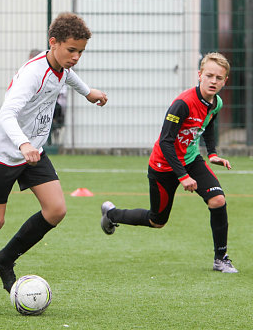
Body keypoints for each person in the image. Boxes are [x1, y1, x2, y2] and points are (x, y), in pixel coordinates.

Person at [0, 12, 108, 310]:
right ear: (54, 43)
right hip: (3, 152)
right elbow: (6, 114)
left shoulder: (60, 65)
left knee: (56, 209)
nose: (75, 57)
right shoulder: (32, 74)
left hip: (32, 151)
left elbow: (67, 75)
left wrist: (88, 92)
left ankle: (3, 260)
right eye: (71, 50)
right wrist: (23, 143)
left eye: (81, 52)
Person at [100, 52, 238, 274]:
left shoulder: (216, 103)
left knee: (218, 200)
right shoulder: (182, 104)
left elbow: (208, 124)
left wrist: (212, 154)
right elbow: (165, 142)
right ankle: (112, 214)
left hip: (191, 159)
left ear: (225, 81)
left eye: (219, 78)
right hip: (163, 166)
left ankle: (221, 258)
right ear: (200, 75)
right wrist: (182, 176)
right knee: (157, 221)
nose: (214, 81)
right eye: (209, 75)